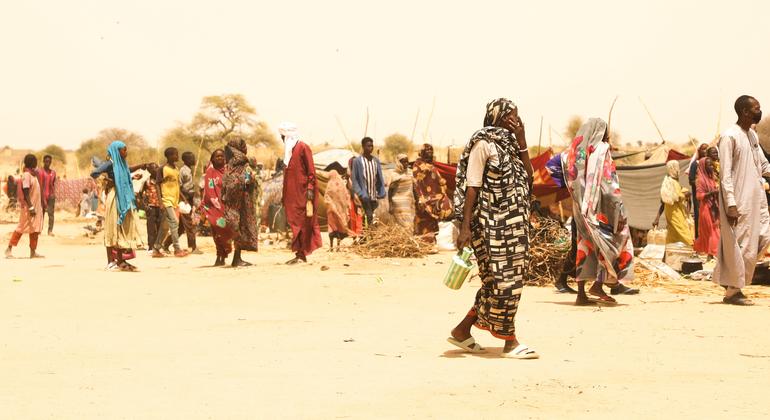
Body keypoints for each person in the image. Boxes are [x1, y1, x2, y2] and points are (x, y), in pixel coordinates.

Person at [449, 98, 538, 359]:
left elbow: (530, 176)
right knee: (503, 282)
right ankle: (510, 341)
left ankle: (462, 330)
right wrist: (465, 228)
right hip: (490, 226)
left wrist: (522, 140)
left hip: (514, 226)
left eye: (518, 117)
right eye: (511, 117)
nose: (516, 121)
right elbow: (472, 185)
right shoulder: (483, 143)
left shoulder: (511, 145)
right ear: (497, 117)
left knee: (500, 282)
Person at [561, 118, 635, 305]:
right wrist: (618, 208)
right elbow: (609, 185)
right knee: (613, 242)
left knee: (584, 246)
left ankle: (582, 294)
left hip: (582, 209)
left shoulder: (572, 154)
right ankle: (600, 285)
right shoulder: (601, 151)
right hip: (602, 209)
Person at [713, 95, 770, 306]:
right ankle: (733, 292)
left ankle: (730, 281)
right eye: (757, 108)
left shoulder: (752, 136)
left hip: (758, 200)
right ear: (745, 112)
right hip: (740, 201)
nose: (759, 111)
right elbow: (724, 174)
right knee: (744, 245)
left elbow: (763, 166)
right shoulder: (729, 137)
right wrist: (731, 203)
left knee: (764, 236)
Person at [89, 141, 149, 271]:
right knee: (112, 228)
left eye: (126, 150)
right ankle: (110, 262)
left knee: (122, 230)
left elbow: (125, 172)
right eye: (123, 150)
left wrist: (138, 170)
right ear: (117, 151)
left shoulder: (121, 164)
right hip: (115, 198)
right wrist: (106, 180)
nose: (125, 152)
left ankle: (121, 261)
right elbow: (94, 173)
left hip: (124, 197)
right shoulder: (110, 164)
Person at [279, 122, 322, 264]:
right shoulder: (288, 152)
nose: (281, 139)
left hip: (303, 194)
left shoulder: (303, 147)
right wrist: (284, 196)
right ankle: (299, 253)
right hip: (291, 196)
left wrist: (309, 190)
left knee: (303, 224)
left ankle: (302, 254)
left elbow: (311, 172)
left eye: (282, 136)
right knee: (294, 224)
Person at [222, 138, 260, 267]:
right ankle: (236, 259)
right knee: (238, 229)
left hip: (236, 203)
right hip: (238, 204)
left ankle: (236, 258)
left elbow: (245, 182)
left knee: (238, 229)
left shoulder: (232, 166)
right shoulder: (240, 166)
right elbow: (247, 180)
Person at [5, 154, 44, 259]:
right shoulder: (26, 175)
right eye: (34, 161)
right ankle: (8, 249)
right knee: (21, 228)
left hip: (35, 208)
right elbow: (26, 191)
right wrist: (31, 207)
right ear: (30, 162)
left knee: (34, 229)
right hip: (28, 208)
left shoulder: (33, 175)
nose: (36, 163)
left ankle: (33, 252)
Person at [152, 147, 188, 258]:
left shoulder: (176, 169)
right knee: (174, 222)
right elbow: (157, 184)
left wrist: (183, 197)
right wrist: (160, 201)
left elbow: (177, 185)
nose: (177, 156)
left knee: (164, 226)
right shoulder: (162, 169)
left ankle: (156, 249)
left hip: (174, 200)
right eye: (175, 154)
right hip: (166, 200)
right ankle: (177, 249)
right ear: (168, 156)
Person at [412, 144, 452, 242]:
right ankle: (421, 244)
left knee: (432, 221)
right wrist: (425, 170)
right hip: (423, 199)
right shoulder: (417, 164)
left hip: (434, 199)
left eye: (431, 149)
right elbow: (417, 181)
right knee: (423, 221)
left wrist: (442, 182)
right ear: (422, 152)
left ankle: (431, 244)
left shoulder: (432, 165)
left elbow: (438, 179)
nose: (430, 151)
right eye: (427, 149)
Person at [202, 149, 235, 266]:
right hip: (213, 206)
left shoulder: (229, 171)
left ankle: (224, 254)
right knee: (216, 230)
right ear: (212, 159)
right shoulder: (210, 172)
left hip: (226, 205)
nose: (220, 158)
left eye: (222, 156)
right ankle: (219, 255)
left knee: (226, 230)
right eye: (217, 156)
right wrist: (214, 202)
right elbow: (209, 188)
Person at [653, 161, 693, 246]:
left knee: (673, 235)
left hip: (677, 211)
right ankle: (693, 251)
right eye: (676, 167)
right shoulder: (669, 182)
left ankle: (669, 255)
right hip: (674, 213)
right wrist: (657, 218)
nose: (678, 170)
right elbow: (665, 200)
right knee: (684, 232)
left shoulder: (674, 181)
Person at [351, 137, 386, 229]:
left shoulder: (376, 161)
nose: (370, 148)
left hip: (374, 195)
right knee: (369, 215)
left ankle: (366, 236)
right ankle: (370, 236)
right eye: (368, 146)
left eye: (371, 146)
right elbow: (354, 179)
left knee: (371, 216)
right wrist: (361, 193)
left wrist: (381, 191)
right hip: (364, 196)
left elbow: (379, 177)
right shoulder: (357, 161)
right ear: (363, 147)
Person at [171, 151, 199, 253]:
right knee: (189, 224)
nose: (194, 160)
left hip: (190, 198)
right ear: (186, 160)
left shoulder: (189, 170)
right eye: (192, 158)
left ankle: (164, 244)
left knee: (182, 227)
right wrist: (184, 199)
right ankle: (193, 247)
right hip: (185, 199)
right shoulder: (183, 171)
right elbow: (178, 186)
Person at [693, 157, 720, 258]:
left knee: (711, 232)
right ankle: (714, 253)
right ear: (704, 166)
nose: (711, 166)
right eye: (709, 165)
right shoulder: (700, 180)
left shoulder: (711, 178)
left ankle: (711, 255)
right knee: (712, 232)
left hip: (713, 208)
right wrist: (712, 193)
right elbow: (699, 196)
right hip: (706, 208)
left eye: (711, 164)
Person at [324, 169, 352, 251]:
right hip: (341, 211)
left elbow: (326, 197)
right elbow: (346, 196)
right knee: (340, 227)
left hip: (332, 211)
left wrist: (330, 204)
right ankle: (338, 247)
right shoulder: (342, 185)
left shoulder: (330, 184)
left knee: (332, 228)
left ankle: (331, 247)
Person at [388, 153, 416, 230]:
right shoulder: (394, 174)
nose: (406, 164)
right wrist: (390, 205)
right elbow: (390, 190)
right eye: (404, 162)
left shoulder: (410, 172)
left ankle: (408, 240)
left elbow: (414, 187)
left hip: (409, 202)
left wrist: (417, 200)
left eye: (407, 162)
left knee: (410, 224)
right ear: (399, 162)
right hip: (398, 204)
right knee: (401, 225)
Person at [688, 144, 708, 239]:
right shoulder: (695, 164)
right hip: (699, 195)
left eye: (706, 149)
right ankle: (699, 239)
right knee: (699, 216)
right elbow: (691, 180)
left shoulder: (709, 164)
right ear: (699, 151)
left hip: (709, 195)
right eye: (703, 149)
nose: (705, 151)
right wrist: (700, 183)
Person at [141, 163, 162, 252]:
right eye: (155, 168)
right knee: (151, 228)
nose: (157, 169)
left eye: (157, 167)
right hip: (151, 207)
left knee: (160, 226)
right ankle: (150, 246)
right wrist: (144, 206)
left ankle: (157, 246)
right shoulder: (146, 181)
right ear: (150, 171)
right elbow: (139, 194)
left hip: (160, 206)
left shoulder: (160, 181)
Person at [38, 154, 57, 236]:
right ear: (43, 162)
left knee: (51, 214)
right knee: (41, 214)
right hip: (41, 196)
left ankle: (50, 231)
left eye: (49, 161)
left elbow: (53, 184)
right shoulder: (40, 171)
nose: (47, 163)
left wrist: (53, 195)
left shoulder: (53, 172)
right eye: (46, 161)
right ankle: (39, 230)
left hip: (51, 196)